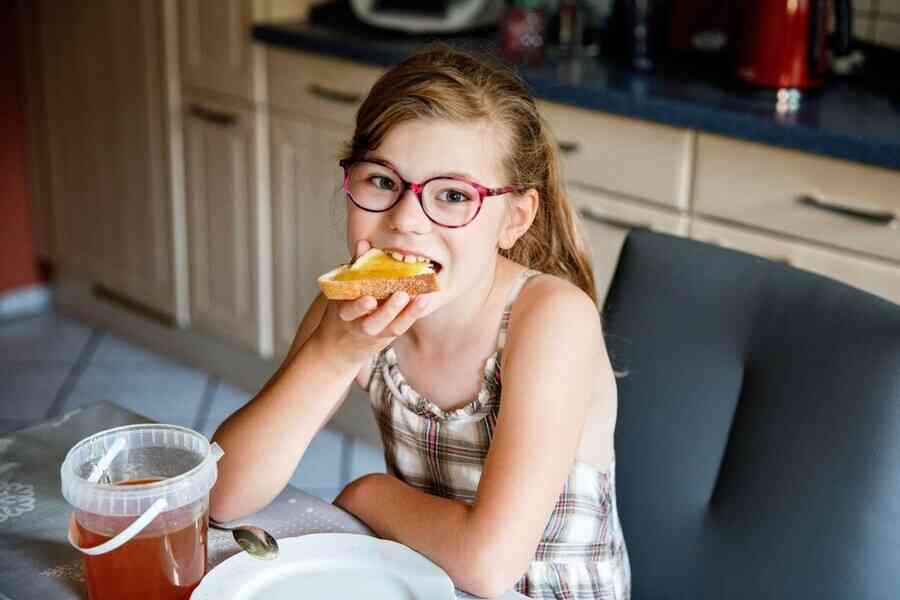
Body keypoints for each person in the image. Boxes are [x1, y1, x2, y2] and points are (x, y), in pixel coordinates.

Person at [210, 44, 630, 600]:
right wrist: (333, 353)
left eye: (453, 195)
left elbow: (487, 565)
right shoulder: (351, 310)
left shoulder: (551, 320)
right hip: (426, 577)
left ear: (515, 218)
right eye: (382, 181)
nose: (406, 221)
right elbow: (222, 495)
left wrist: (366, 494)